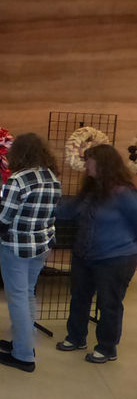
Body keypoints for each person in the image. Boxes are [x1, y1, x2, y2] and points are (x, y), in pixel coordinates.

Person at [56, 144, 137, 363]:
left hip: (115, 259)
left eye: (89, 160)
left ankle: (107, 348)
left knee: (109, 304)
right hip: (85, 255)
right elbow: (69, 211)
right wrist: (43, 204)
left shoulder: (123, 192)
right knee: (79, 297)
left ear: (102, 164)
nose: (85, 165)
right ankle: (76, 337)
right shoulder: (91, 190)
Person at [0, 133, 62, 372]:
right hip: (41, 246)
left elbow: (4, 217)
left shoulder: (18, 179)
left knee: (18, 298)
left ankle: (23, 355)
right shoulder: (52, 178)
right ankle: (23, 343)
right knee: (28, 295)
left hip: (16, 247)